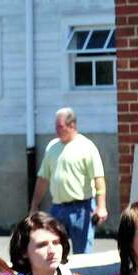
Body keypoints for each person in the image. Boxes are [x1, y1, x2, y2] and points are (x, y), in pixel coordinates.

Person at [28, 108, 106, 254]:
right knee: (54, 253)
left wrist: (101, 207)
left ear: (72, 125)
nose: (56, 130)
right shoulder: (52, 147)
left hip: (81, 209)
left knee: (83, 256)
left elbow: (98, 177)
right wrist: (34, 205)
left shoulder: (86, 146)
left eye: (60, 126)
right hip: (57, 209)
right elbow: (43, 178)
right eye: (56, 126)